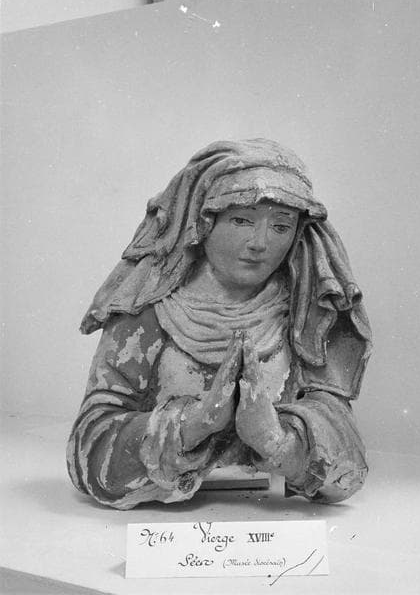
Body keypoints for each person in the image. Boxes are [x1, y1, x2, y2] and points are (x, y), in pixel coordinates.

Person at [67, 139, 372, 509]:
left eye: (281, 226)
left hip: (264, 505)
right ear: (203, 223)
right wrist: (194, 424)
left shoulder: (309, 315)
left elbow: (347, 468)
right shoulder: (148, 312)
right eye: (241, 220)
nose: (260, 243)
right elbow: (89, 447)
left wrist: (274, 441)